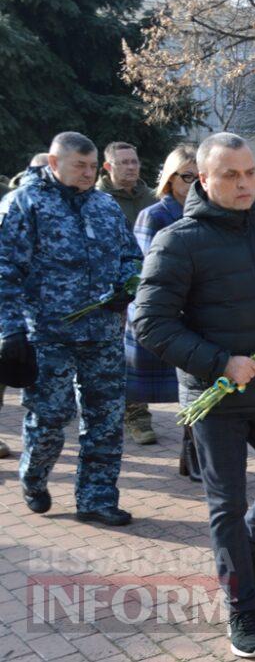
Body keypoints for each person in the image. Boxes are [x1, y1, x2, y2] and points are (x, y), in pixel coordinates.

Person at [133, 133, 255, 658]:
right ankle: (242, 612)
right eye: (230, 175)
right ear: (203, 179)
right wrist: (220, 363)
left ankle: (250, 546)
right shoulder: (178, 240)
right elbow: (149, 322)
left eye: (250, 173)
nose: (243, 183)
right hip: (217, 398)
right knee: (226, 507)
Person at [0, 131, 142, 524]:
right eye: (79, 165)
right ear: (53, 162)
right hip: (48, 335)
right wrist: (10, 332)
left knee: (106, 420)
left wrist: (125, 288)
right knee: (49, 419)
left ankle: (97, 499)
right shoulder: (22, 205)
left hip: (103, 334)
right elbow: (4, 272)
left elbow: (132, 255)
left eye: (93, 166)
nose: (87, 173)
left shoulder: (105, 206)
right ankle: (33, 476)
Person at [124, 145, 197, 471]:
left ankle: (191, 455)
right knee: (185, 388)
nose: (194, 183)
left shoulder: (207, 211)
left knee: (197, 391)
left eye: (200, 176)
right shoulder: (154, 215)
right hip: (169, 317)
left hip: (201, 315)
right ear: (170, 179)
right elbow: (145, 274)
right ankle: (138, 420)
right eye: (186, 176)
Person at [96, 141, 158, 228]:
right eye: (124, 162)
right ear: (108, 167)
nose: (131, 167)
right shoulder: (96, 200)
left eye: (134, 162)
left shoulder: (154, 197)